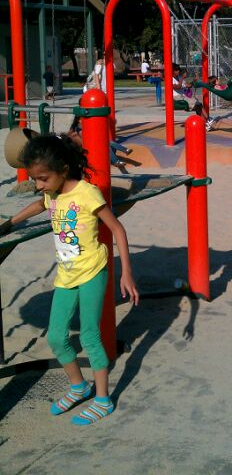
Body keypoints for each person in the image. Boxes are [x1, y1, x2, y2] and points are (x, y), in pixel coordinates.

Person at [0, 134, 139, 424]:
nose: (39, 185)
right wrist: (11, 223)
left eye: (43, 178)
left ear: (63, 169)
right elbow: (40, 205)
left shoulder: (87, 193)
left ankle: (103, 399)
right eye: (35, 179)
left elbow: (117, 228)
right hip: (66, 275)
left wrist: (126, 272)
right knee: (56, 336)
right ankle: (79, 386)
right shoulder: (52, 193)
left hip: (92, 272)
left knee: (89, 335)